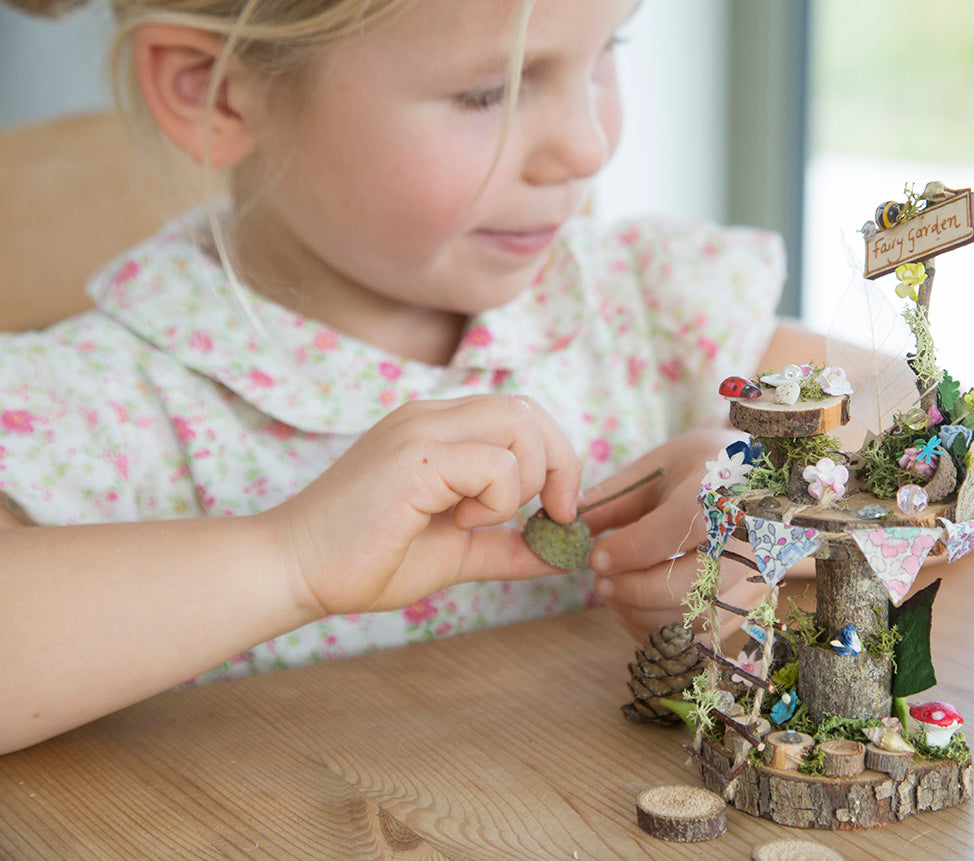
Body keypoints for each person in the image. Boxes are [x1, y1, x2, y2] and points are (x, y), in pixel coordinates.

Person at [0, 0, 825, 754]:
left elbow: (938, 441)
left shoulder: (645, 302)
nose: (589, 145)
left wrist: (772, 488)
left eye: (607, 48)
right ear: (214, 94)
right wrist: (287, 559)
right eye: (487, 92)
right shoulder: (92, 409)